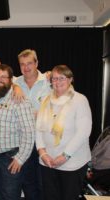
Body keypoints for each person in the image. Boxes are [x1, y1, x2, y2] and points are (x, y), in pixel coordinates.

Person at [36, 65, 92, 200]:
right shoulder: (45, 100)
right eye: (54, 78)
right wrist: (42, 153)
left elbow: (83, 132)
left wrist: (65, 156)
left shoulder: (79, 100)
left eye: (62, 78)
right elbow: (38, 128)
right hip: (47, 162)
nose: (58, 82)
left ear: (70, 80)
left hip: (72, 163)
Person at [0, 64, 35, 200]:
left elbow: (28, 133)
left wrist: (20, 158)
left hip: (10, 157)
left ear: (11, 80)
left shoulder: (20, 100)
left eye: (3, 77)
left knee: (10, 195)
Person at [15, 49, 51, 200]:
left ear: (37, 63)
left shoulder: (50, 81)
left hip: (45, 141)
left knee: (45, 183)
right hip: (24, 142)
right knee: (28, 184)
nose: (26, 67)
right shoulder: (15, 83)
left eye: (30, 63)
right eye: (22, 64)